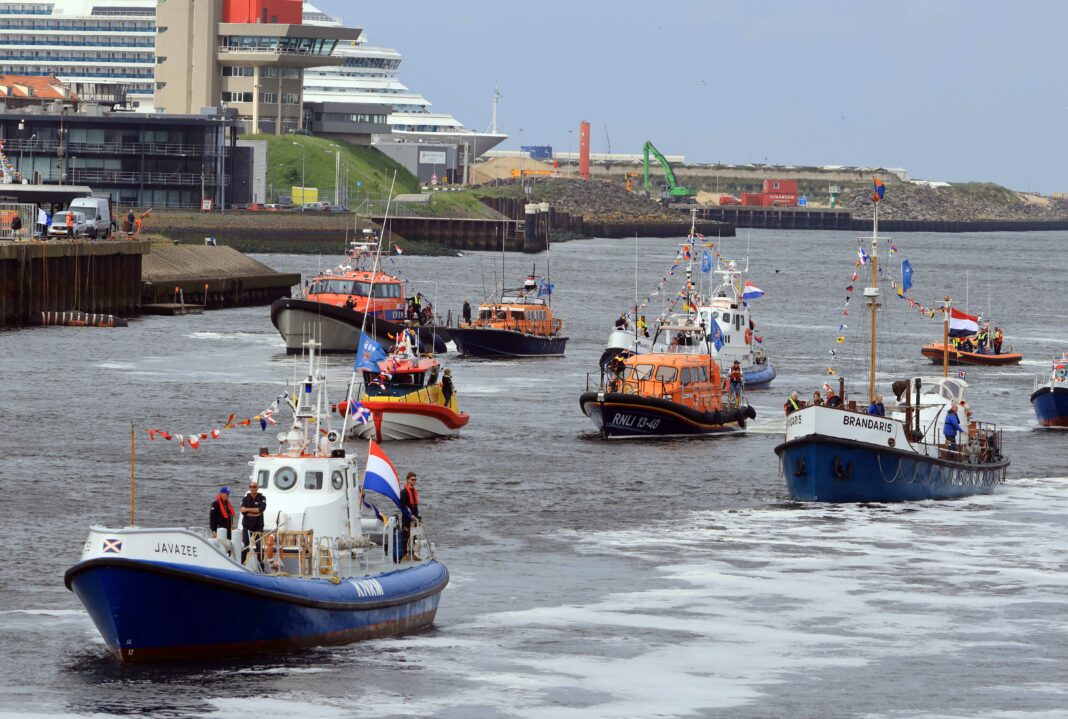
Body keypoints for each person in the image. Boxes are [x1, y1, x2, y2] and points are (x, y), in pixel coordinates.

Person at [240, 479, 267, 567]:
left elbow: (261, 509)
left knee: (259, 546)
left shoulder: (262, 498)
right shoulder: (245, 498)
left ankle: (260, 564)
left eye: (254, 486)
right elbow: (243, 511)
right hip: (247, 526)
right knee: (245, 545)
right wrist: (256, 514)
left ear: (257, 488)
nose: (252, 488)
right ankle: (242, 564)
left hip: (258, 526)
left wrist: (248, 510)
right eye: (250, 486)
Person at [399, 472, 420, 559]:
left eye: (415, 479)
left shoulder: (414, 491)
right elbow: (402, 507)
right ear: (408, 480)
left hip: (414, 518)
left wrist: (417, 517)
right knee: (406, 536)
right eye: (412, 479)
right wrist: (410, 516)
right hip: (407, 518)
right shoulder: (404, 492)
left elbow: (415, 506)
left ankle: (412, 553)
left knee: (414, 536)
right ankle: (405, 554)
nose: (414, 481)